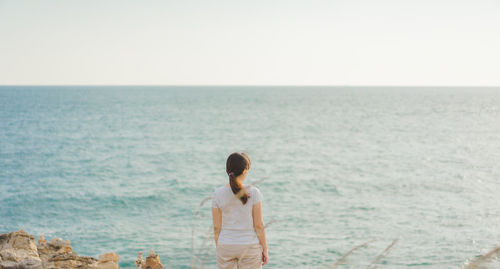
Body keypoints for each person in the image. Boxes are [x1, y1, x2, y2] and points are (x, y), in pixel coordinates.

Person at [212, 152, 269, 269]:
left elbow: (216, 228)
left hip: (225, 246)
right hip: (249, 247)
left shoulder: (217, 194)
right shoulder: (254, 192)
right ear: (244, 171)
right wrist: (265, 249)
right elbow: (258, 225)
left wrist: (220, 246)